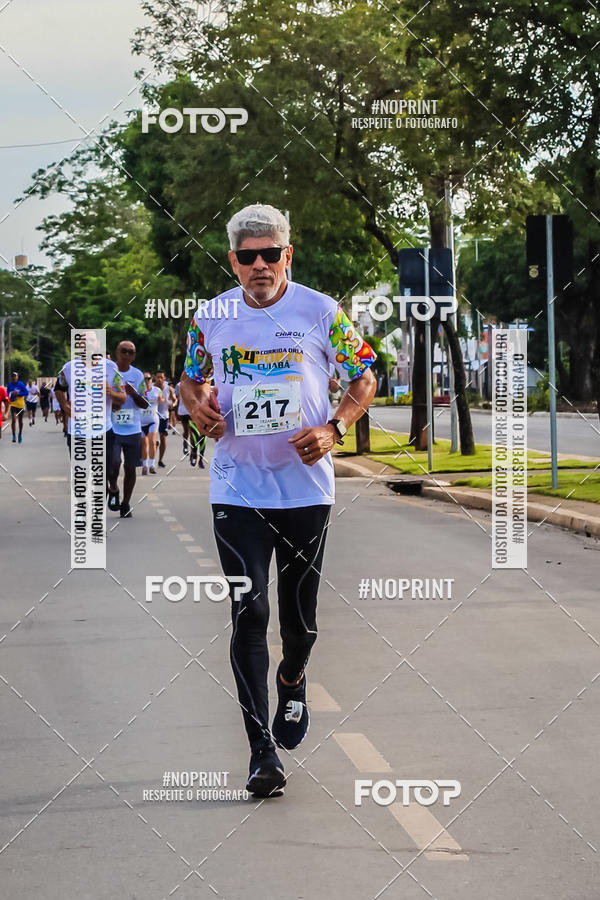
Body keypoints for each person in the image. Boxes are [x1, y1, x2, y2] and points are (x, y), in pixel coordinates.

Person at [180, 204, 376, 798]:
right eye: (247, 256)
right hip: (236, 486)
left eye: (271, 254)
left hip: (305, 491)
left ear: (287, 256)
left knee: (300, 624)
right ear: (233, 261)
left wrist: (336, 428)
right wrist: (195, 405)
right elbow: (191, 377)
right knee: (250, 614)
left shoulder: (321, 312)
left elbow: (366, 374)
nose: (260, 265)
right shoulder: (211, 315)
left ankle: (293, 678)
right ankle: (261, 752)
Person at [54, 341, 123, 469]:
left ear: (98, 345)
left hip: (104, 430)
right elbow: (58, 388)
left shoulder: (111, 367)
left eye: (92, 341)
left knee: (104, 475)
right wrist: (64, 405)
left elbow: (122, 397)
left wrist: (111, 393)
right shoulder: (68, 368)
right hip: (77, 431)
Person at [107, 341, 148, 518]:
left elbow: (145, 403)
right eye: (123, 351)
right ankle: (114, 488)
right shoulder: (108, 372)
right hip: (112, 428)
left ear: (134, 356)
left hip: (132, 428)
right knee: (114, 463)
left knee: (131, 468)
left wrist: (133, 393)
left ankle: (125, 503)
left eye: (131, 352)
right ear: (117, 352)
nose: (127, 355)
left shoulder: (137, 375)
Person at [140, 372, 161, 474]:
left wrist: (162, 399)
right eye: (144, 379)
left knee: (152, 441)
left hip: (153, 420)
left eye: (148, 379)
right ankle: (145, 466)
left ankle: (152, 465)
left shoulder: (157, 390)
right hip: (141, 421)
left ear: (151, 380)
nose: (146, 381)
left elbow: (162, 399)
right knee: (144, 444)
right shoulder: (138, 390)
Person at [153, 371, 170, 468]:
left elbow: (174, 399)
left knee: (163, 438)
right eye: (158, 377)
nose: (159, 379)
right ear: (155, 378)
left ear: (164, 378)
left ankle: (160, 460)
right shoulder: (150, 387)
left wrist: (173, 403)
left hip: (164, 415)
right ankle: (150, 459)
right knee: (152, 438)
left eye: (161, 377)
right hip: (152, 415)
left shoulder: (168, 389)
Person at [7, 372, 27, 443]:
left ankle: (20, 434)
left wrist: (19, 394)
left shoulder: (21, 384)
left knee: (20, 421)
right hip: (13, 404)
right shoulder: (9, 385)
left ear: (17, 377)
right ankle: (13, 436)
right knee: (14, 420)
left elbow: (26, 393)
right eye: (12, 376)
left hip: (21, 405)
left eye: (15, 376)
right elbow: (7, 394)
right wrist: (11, 394)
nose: (14, 378)